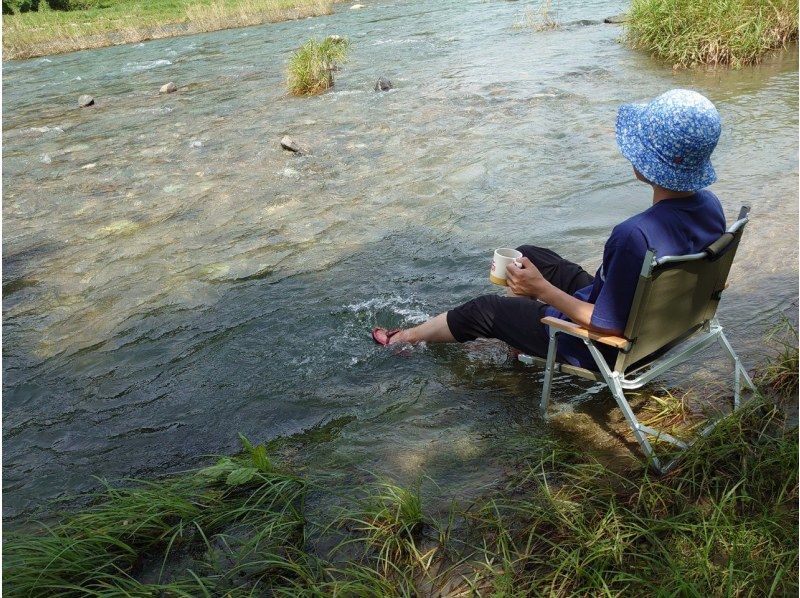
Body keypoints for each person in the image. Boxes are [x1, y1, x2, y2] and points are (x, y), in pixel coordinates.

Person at [371, 89, 727, 370]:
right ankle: (518, 340)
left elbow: (609, 327)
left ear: (647, 161)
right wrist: (538, 279)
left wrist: (541, 289)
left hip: (603, 348)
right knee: (531, 256)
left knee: (484, 309)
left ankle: (404, 338)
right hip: (659, 328)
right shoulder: (710, 205)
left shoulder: (634, 234)